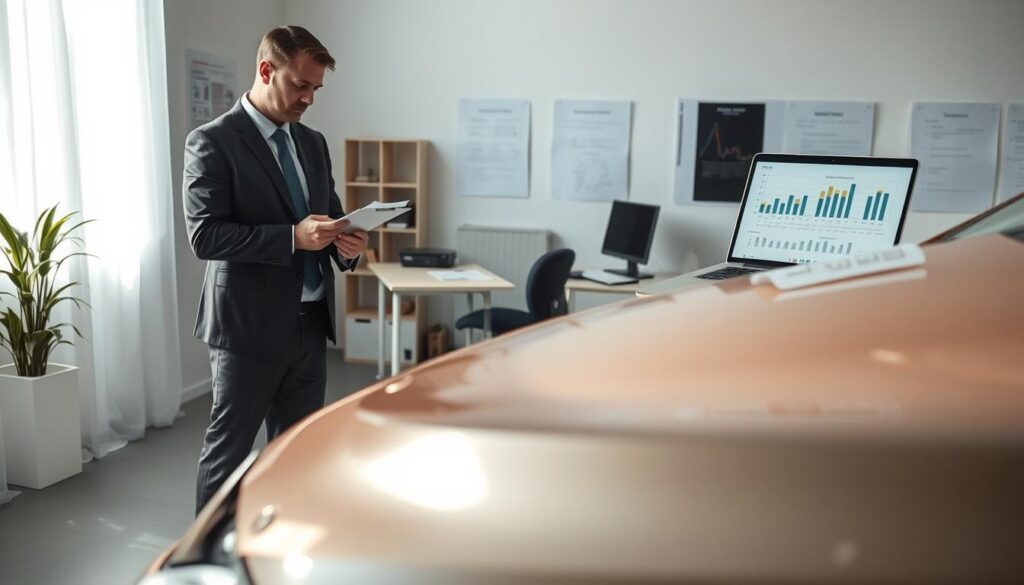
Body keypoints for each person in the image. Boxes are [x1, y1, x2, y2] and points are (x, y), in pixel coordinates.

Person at [182, 25, 368, 513]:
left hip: (309, 328)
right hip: (246, 330)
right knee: (229, 458)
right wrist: (291, 237)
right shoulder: (211, 141)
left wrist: (346, 246)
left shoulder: (313, 143)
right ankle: (207, 561)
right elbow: (205, 236)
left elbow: (326, 218)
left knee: (297, 454)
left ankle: (281, 551)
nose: (309, 98)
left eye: (316, 89)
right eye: (300, 85)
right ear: (266, 70)